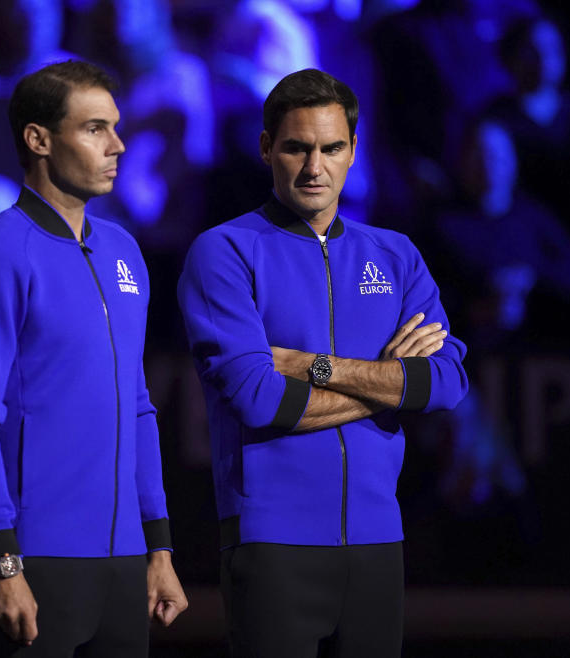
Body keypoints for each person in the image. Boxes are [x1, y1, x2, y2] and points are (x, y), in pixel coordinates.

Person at [177, 68, 468, 657]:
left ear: (354, 150)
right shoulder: (225, 251)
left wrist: (317, 367)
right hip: (271, 544)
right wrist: (390, 385)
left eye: (332, 148)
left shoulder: (395, 253)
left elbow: (447, 382)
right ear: (266, 149)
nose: (315, 167)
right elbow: (258, 400)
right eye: (296, 147)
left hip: (379, 543)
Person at [0, 60, 187, 657]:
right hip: (34, 558)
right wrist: (0, 560)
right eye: (95, 128)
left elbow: (139, 410)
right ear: (38, 139)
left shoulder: (123, 250)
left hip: (124, 563)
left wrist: (159, 548)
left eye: (115, 127)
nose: (118, 145)